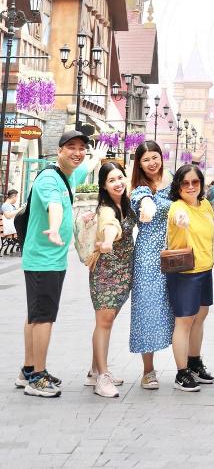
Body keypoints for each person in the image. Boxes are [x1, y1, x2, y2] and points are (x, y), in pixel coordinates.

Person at [17, 129, 103, 397]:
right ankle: (37, 378)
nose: (78, 153)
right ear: (59, 151)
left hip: (48, 259)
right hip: (44, 260)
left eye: (82, 148)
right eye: (72, 147)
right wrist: (54, 228)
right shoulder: (49, 180)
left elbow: (84, 167)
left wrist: (96, 158)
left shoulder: (67, 175)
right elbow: (54, 205)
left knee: (35, 315)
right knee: (44, 318)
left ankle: (28, 370)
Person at [86, 162, 136, 398]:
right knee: (104, 322)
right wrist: (107, 240)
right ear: (104, 186)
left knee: (107, 321)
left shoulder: (126, 203)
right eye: (111, 180)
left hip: (124, 270)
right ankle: (102, 377)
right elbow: (110, 225)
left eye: (120, 178)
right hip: (105, 272)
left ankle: (94, 370)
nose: (117, 183)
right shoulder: (107, 209)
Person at [129, 140, 175, 390]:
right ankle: (148, 370)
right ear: (139, 163)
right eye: (146, 159)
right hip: (148, 256)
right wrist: (147, 206)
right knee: (147, 310)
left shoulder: (171, 183)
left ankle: (188, 364)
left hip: (175, 252)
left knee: (182, 309)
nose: (151, 162)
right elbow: (144, 202)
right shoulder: (139, 189)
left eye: (155, 157)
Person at [166, 163, 214, 392]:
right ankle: (181, 372)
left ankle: (194, 362)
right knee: (184, 321)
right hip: (185, 272)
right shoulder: (177, 207)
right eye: (185, 183)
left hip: (205, 268)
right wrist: (181, 220)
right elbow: (178, 217)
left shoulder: (205, 205)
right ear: (178, 186)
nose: (190, 186)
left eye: (195, 182)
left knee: (200, 316)